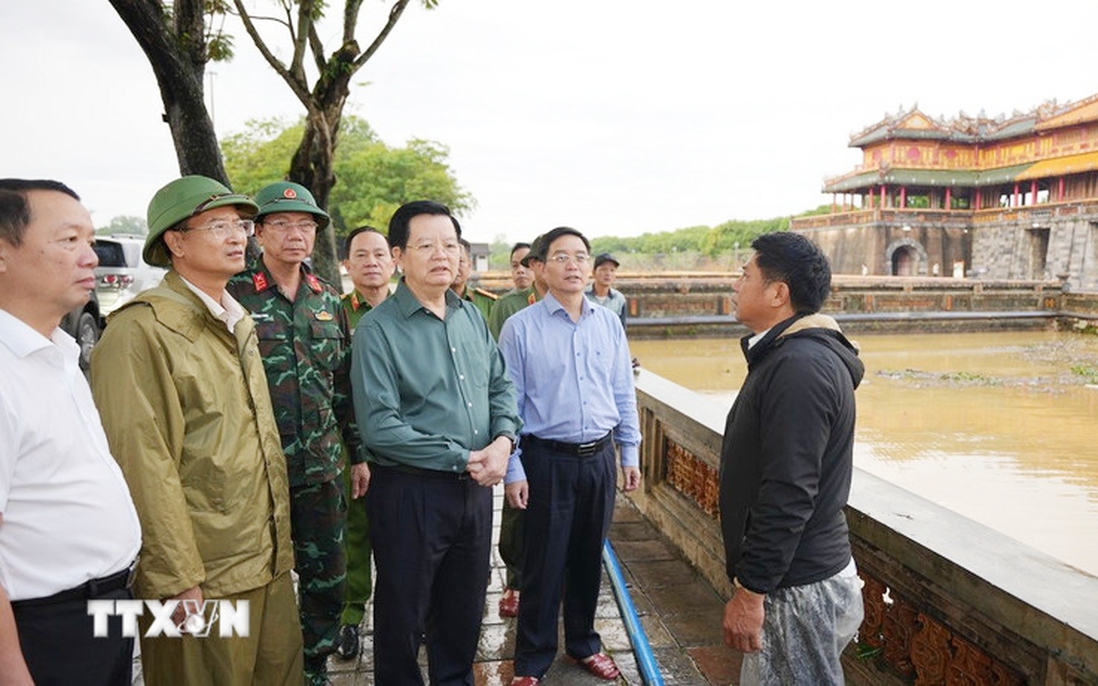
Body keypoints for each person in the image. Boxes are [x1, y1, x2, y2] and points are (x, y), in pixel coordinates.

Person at [91, 175, 303, 686]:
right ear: (176, 242)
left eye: (241, 225)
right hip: (200, 578)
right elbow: (142, 463)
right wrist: (176, 580)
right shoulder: (138, 332)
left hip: (265, 563)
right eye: (217, 225)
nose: (238, 237)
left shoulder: (235, 318)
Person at [351, 200, 522, 685]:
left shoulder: (470, 317)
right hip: (410, 493)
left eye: (449, 244)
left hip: (472, 492)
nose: (441, 255)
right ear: (400, 256)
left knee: (463, 611)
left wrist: (505, 441)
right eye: (426, 245)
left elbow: (500, 387)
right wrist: (466, 456)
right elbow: (381, 427)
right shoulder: (378, 330)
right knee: (403, 616)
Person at [0, 179, 142, 686]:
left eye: (91, 240)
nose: (91, 257)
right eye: (68, 241)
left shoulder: (58, 352)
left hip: (104, 609)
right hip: (44, 627)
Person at [226, 181, 363, 685]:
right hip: (258, 472)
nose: (295, 234)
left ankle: (312, 668)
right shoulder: (233, 296)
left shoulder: (328, 300)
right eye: (281, 223)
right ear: (258, 232)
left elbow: (342, 386)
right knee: (259, 578)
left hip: (322, 467)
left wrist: (358, 455)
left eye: (306, 225)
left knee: (327, 577)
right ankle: (265, 667)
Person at [720, 231, 865, 685]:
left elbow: (789, 491)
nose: (736, 285)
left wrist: (752, 591)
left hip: (798, 587)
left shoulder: (799, 367)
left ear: (778, 293)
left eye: (746, 276)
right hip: (795, 577)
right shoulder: (787, 356)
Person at [499, 226, 642, 685]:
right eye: (562, 256)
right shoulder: (520, 327)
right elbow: (510, 404)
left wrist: (629, 452)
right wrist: (514, 468)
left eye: (581, 256)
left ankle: (583, 643)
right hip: (546, 460)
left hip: (598, 458)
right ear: (539, 268)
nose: (575, 265)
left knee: (587, 556)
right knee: (542, 560)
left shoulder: (608, 322)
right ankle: (532, 660)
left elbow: (622, 392)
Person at [334, 225, 395, 661]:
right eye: (361, 255)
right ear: (347, 265)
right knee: (354, 538)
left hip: (409, 452)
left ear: (394, 260)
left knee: (406, 539)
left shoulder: (416, 312)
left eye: (379, 254)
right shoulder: (333, 315)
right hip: (354, 450)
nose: (371, 262)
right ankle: (350, 619)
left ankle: (408, 617)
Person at [487, 234, 548, 617]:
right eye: (517, 264)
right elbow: (498, 367)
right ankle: (515, 580)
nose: (523, 270)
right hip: (518, 422)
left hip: (555, 430)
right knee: (517, 512)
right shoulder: (506, 308)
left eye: (529, 262)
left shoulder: (569, 305)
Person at [488, 237, 546, 340]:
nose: (520, 270)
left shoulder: (550, 298)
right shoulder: (505, 304)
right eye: (515, 266)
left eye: (526, 265)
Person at [451, 237, 497, 320]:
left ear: (469, 265)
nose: (455, 267)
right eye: (451, 261)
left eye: (460, 261)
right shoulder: (431, 302)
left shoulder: (487, 303)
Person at [585, 252, 627, 329]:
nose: (608, 274)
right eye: (603, 269)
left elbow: (622, 329)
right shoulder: (582, 296)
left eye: (612, 270)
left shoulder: (619, 299)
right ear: (594, 272)